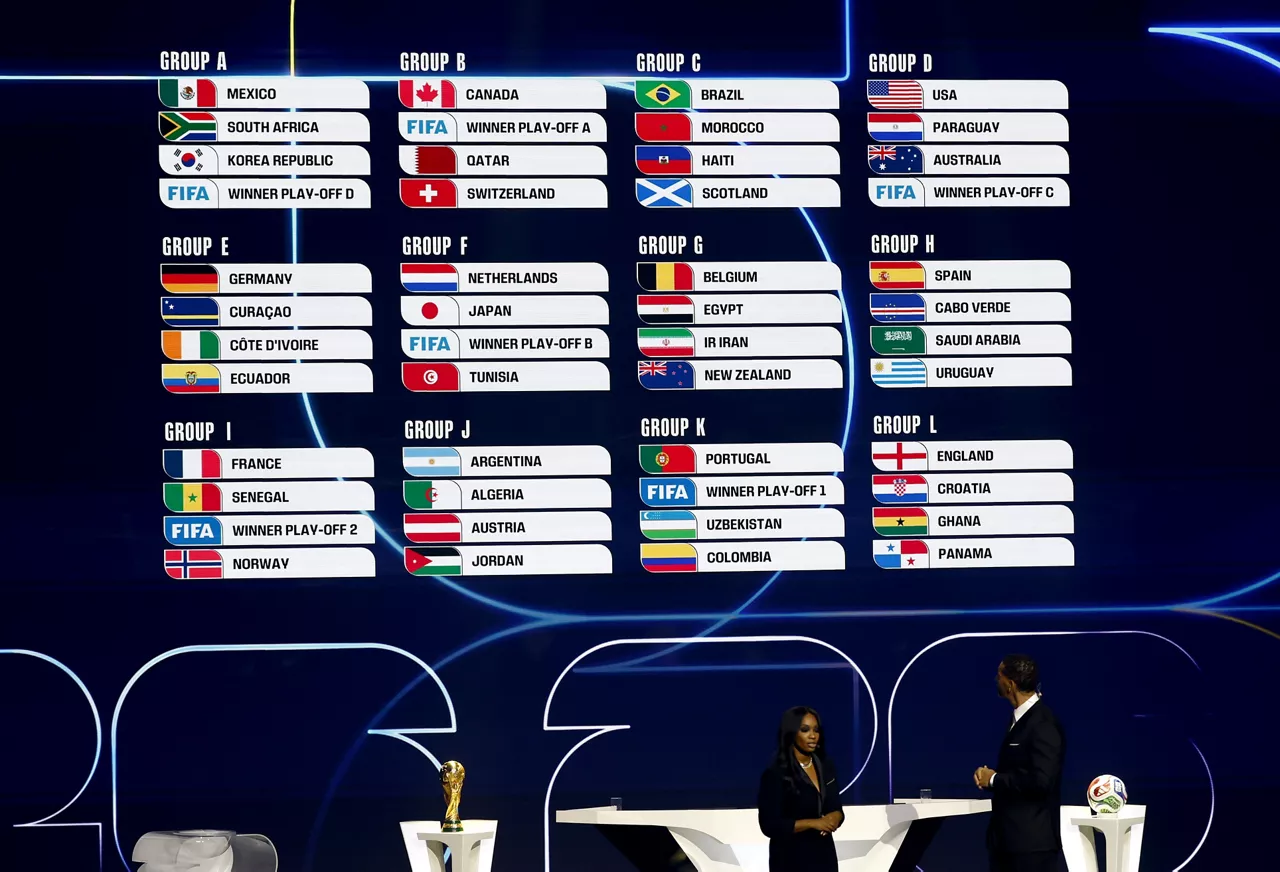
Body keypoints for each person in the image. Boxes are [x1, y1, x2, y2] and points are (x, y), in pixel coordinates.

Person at [974, 654, 1067, 872]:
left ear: (1011, 684)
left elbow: (1042, 781)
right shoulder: (1020, 719)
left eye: (999, 676)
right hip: (1008, 844)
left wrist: (995, 779)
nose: (996, 680)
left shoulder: (1043, 723)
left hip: (1030, 848)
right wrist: (992, 778)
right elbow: (1022, 772)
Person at [757, 706, 845, 872]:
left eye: (816, 730)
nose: (813, 736)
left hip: (824, 857)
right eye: (805, 730)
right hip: (790, 859)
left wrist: (836, 816)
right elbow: (769, 825)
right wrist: (814, 823)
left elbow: (835, 806)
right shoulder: (776, 774)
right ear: (791, 733)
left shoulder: (825, 766)